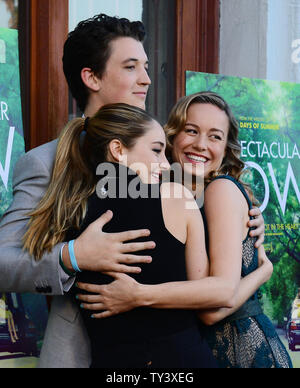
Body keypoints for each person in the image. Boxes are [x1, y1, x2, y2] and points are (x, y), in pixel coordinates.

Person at [0, 13, 264, 367]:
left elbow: (197, 223)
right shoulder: (44, 163)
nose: (146, 79)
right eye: (131, 67)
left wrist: (246, 229)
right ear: (91, 77)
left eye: (146, 66)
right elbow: (3, 262)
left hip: (180, 349)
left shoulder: (159, 147)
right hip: (89, 353)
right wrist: (74, 255)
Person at [77, 92, 292, 368]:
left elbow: (212, 311)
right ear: (173, 136)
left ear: (226, 148)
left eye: (215, 136)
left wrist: (265, 271)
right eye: (191, 131)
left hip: (242, 352)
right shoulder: (163, 195)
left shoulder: (219, 191)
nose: (201, 144)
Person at [24, 103, 221, 368]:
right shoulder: (178, 197)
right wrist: (260, 269)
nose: (165, 164)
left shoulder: (67, 210)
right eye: (156, 151)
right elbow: (209, 299)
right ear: (118, 149)